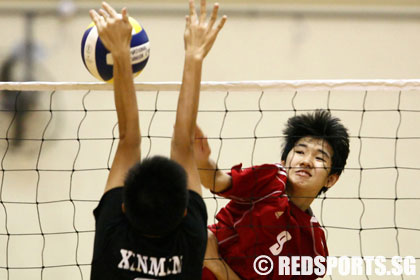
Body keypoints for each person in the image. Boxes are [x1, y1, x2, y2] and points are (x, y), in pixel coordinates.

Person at [88, 1, 226, 279]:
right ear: (185, 212)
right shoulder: (191, 239)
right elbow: (178, 144)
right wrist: (194, 54)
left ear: (124, 207)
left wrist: (119, 53)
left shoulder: (113, 235)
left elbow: (133, 141)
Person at [196, 110, 350, 279]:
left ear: (331, 179)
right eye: (300, 152)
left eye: (320, 158)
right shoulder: (270, 180)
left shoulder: (313, 247)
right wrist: (202, 160)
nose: (306, 161)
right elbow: (217, 180)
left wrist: (215, 263)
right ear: (284, 162)